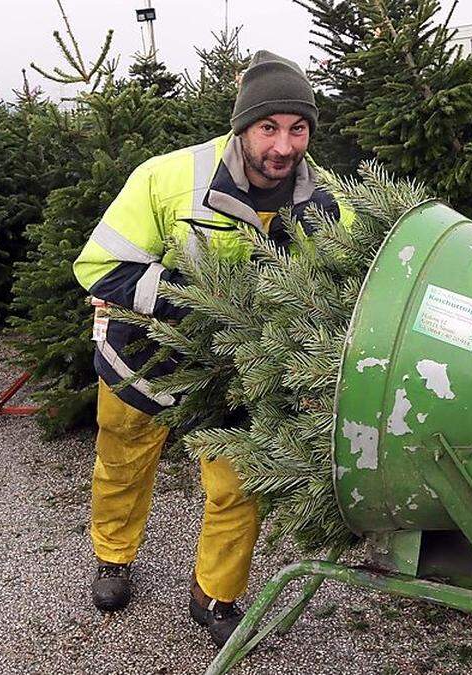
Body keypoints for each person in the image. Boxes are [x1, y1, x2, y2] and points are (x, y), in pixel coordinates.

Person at [72, 50, 348, 647]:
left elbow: (347, 280)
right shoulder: (167, 178)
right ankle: (113, 557)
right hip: (145, 353)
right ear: (241, 127)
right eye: (268, 127)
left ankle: (215, 592)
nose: (283, 146)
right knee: (123, 457)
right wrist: (199, 302)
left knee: (240, 483)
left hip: (241, 367)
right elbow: (101, 265)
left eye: (297, 129)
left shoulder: (326, 199)